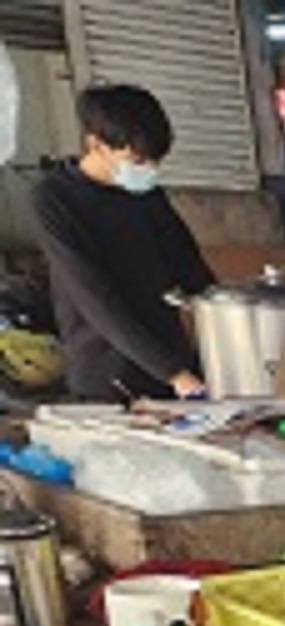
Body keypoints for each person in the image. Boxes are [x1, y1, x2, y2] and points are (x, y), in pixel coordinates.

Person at [30, 85, 214, 402]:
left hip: (171, 360)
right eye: (138, 160)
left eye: (155, 161)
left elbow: (188, 265)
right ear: (96, 144)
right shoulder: (55, 199)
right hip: (108, 375)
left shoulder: (146, 194)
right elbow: (96, 301)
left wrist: (223, 311)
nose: (150, 170)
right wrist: (174, 373)